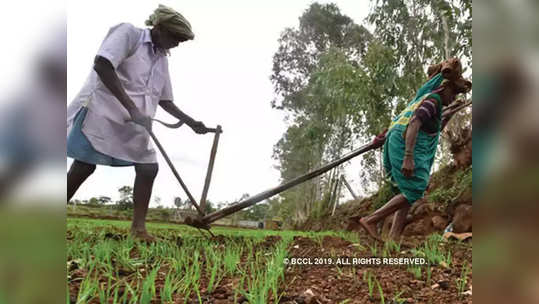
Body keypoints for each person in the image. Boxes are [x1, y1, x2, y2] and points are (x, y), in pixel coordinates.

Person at [67, 5, 209, 241]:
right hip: (102, 113)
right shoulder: (129, 34)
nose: (176, 44)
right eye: (175, 38)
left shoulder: (161, 59)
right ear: (160, 28)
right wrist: (132, 108)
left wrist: (192, 122)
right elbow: (102, 64)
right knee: (84, 166)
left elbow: (165, 101)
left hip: (136, 123)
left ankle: (138, 230)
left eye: (181, 41)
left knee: (148, 167)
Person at [359, 58, 472, 241]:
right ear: (444, 87)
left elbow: (433, 129)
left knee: (406, 191)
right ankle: (371, 220)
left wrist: (451, 113)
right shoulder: (433, 100)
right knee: (416, 188)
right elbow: (415, 122)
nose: (453, 99)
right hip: (403, 142)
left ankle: (394, 237)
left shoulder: (430, 102)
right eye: (453, 94)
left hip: (395, 140)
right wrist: (408, 156)